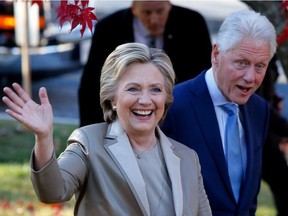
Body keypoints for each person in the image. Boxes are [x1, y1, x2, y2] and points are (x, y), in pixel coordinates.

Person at [2, 43, 212, 216]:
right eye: (133, 89)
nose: (145, 100)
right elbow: (52, 191)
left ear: (165, 98)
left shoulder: (188, 158)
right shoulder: (89, 143)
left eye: (156, 90)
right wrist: (44, 137)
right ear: (112, 98)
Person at [160, 9, 277, 215]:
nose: (251, 77)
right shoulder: (173, 105)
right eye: (241, 63)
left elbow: (247, 199)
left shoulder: (259, 110)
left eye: (260, 66)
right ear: (216, 54)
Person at [79, 0, 212, 126]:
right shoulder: (109, 28)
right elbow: (91, 87)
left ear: (169, 6)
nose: (154, 20)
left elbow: (205, 79)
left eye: (160, 11)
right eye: (146, 13)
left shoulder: (192, 24)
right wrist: (93, 136)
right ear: (134, 9)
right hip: (121, 121)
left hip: (181, 118)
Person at [256, 54, 288, 216]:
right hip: (259, 140)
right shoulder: (256, 59)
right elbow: (259, 106)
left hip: (268, 138)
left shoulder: (272, 58)